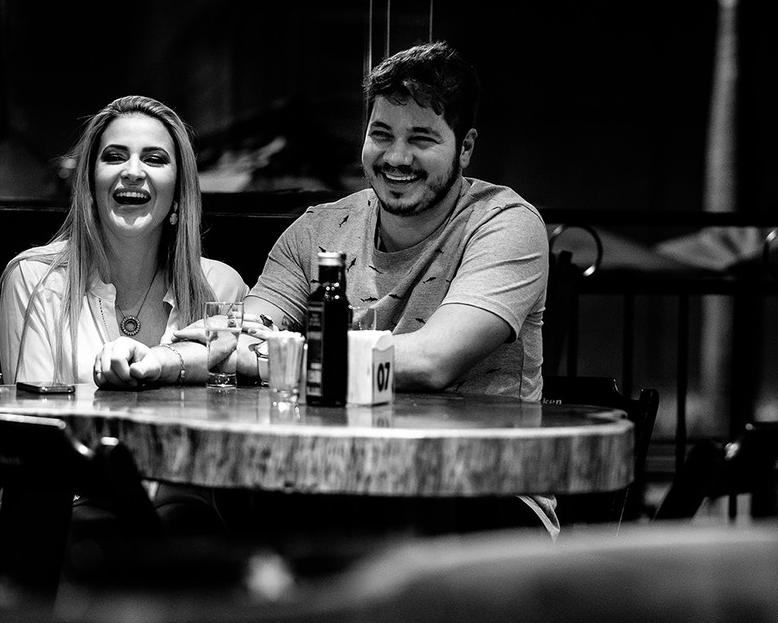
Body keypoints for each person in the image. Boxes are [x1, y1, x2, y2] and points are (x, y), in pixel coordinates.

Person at [236, 41, 557, 537]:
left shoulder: (504, 224)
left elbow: (433, 362)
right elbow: (248, 334)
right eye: (381, 134)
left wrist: (282, 357)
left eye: (422, 139)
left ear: (465, 147)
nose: (396, 157)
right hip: (341, 481)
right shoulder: (319, 229)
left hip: (484, 489)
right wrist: (232, 349)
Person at [0, 94, 247, 544]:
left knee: (192, 529)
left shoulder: (222, 289)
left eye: (154, 158)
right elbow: (37, 440)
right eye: (115, 156)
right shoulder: (34, 278)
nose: (133, 171)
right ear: (90, 183)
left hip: (180, 514)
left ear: (178, 192)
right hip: (60, 505)